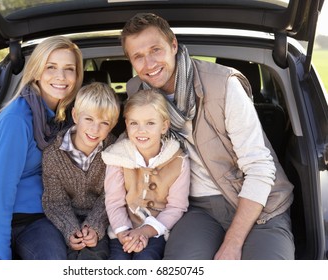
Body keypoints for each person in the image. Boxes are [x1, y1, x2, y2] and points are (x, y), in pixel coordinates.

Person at [120, 13, 295, 260]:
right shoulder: (137, 91)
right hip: (197, 208)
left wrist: (232, 243)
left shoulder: (223, 84)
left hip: (260, 203)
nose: (149, 63)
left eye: (155, 50)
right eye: (138, 56)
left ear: (173, 45)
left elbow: (259, 167)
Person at [0, 36, 84, 260]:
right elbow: (0, 196)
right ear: (36, 71)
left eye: (69, 69)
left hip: (34, 218)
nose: (61, 77)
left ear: (77, 75)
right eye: (51, 67)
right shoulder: (16, 120)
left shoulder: (61, 119)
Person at [101, 89, 190, 260]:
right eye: (134, 123)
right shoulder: (117, 157)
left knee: (146, 260)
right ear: (126, 124)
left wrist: (145, 232)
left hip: (156, 230)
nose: (141, 130)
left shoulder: (178, 161)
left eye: (150, 123)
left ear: (164, 126)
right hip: (122, 229)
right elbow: (114, 202)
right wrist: (124, 233)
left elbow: (176, 207)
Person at [42, 82, 120, 260]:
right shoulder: (53, 154)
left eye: (104, 123)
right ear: (75, 115)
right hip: (63, 219)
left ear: (113, 124)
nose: (95, 129)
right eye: (89, 119)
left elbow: (112, 195)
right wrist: (70, 230)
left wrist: (94, 225)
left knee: (95, 255)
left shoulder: (116, 151)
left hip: (101, 218)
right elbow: (55, 201)